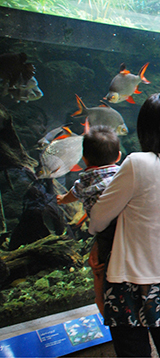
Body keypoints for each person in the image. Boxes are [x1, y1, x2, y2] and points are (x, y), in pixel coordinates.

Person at [89, 93, 160, 357]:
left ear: (144, 126)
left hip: (132, 280)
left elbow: (99, 218)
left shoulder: (137, 163)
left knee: (133, 352)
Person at [57, 126, 121, 316]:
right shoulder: (121, 174)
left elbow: (72, 195)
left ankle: (101, 303)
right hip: (124, 227)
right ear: (118, 156)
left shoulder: (84, 180)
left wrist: (61, 200)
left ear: (84, 159)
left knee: (98, 267)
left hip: (103, 232)